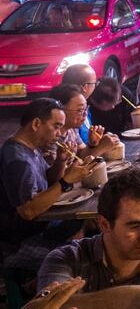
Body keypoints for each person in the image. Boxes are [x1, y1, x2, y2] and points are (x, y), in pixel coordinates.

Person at [37, 168, 140, 308]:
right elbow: (44, 305)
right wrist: (115, 300)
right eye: (134, 226)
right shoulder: (66, 259)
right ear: (104, 224)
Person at [0, 98, 94, 244]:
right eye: (56, 127)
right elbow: (28, 211)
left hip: (44, 223)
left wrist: (60, 162)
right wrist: (66, 181)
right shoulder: (18, 160)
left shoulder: (30, 147)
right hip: (25, 240)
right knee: (92, 233)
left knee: (91, 221)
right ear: (36, 124)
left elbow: (48, 180)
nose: (59, 134)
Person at [50, 84, 120, 159]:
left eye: (85, 109)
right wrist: (101, 148)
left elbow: (81, 154)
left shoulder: (72, 129)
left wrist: (92, 144)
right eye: (80, 110)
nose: (85, 114)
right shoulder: (51, 138)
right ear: (61, 110)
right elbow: (77, 164)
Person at [60, 63, 98, 143]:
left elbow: (82, 147)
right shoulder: (73, 116)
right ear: (84, 87)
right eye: (94, 83)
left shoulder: (83, 106)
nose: (84, 114)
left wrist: (93, 144)